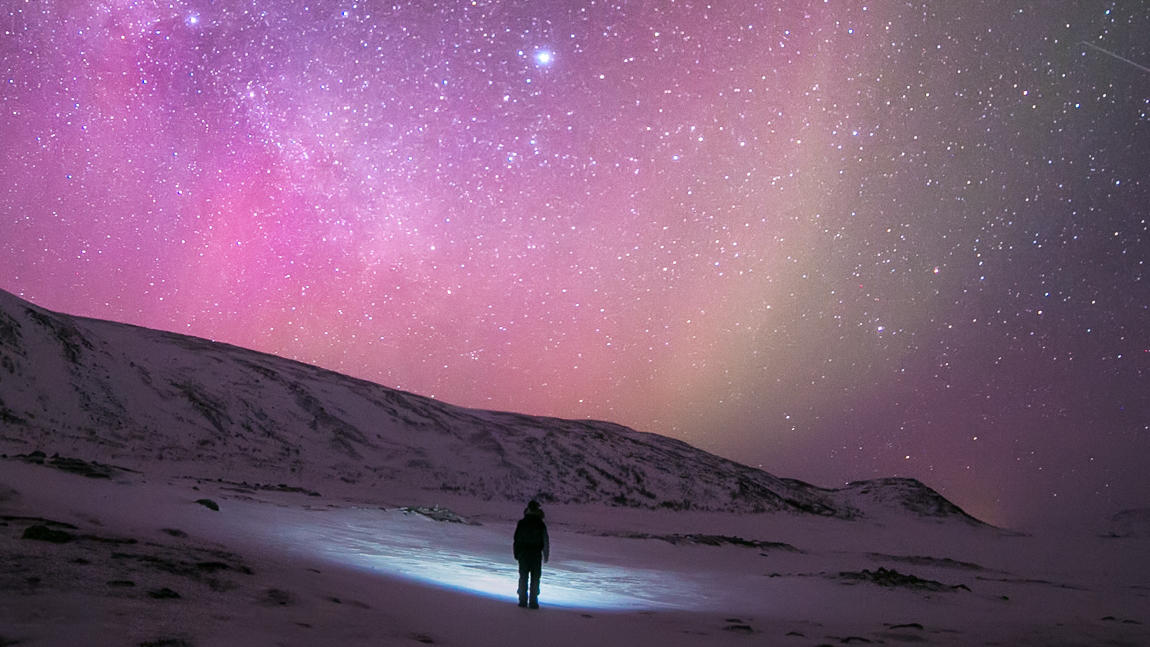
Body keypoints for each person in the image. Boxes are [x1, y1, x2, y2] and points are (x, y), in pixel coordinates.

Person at [512, 500, 550, 608]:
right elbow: (545, 540)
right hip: (536, 554)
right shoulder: (540, 524)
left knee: (523, 577)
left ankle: (522, 600)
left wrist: (516, 552)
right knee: (535, 578)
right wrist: (546, 555)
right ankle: (533, 602)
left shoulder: (522, 522)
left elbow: (516, 538)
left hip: (523, 553)